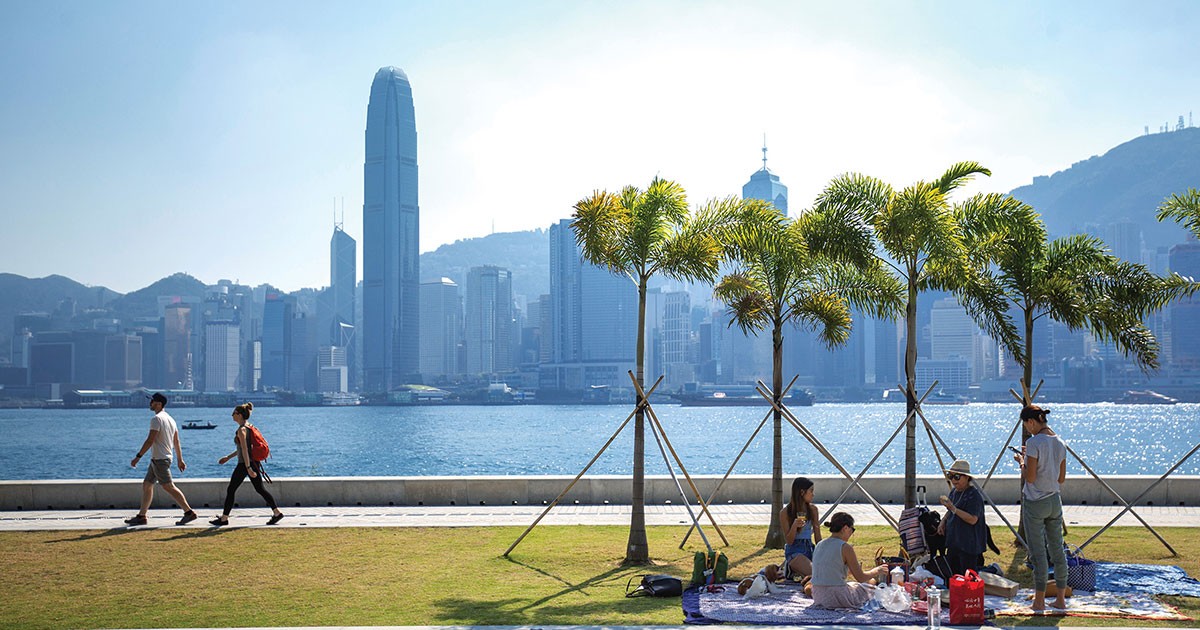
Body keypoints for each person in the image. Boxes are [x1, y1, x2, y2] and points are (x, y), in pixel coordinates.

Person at [1013, 404, 1068, 613]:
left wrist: (1022, 462)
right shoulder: (1060, 442)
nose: (1028, 430)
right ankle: (1060, 600)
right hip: (1054, 500)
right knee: (1058, 551)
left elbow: (1030, 477)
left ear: (1031, 422)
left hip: (1035, 502)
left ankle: (1039, 601)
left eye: (1027, 426)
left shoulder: (1033, 442)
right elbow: (1061, 478)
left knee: (1038, 554)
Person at [124, 392, 197, 526]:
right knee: (147, 485)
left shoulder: (156, 419)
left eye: (152, 401)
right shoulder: (171, 419)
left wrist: (138, 457)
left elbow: (150, 440)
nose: (150, 403)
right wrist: (180, 459)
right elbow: (176, 441)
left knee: (168, 486)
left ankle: (189, 512)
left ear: (158, 404)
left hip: (160, 459)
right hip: (160, 458)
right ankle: (142, 516)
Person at [210, 402, 284, 526]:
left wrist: (248, 467)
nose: (232, 415)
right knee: (260, 489)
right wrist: (228, 457)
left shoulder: (242, 430)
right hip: (253, 462)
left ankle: (224, 519)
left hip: (244, 464)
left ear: (239, 415)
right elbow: (244, 449)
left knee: (231, 489)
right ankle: (277, 513)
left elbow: (244, 449)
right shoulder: (249, 427)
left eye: (234, 413)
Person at [810, 512, 889, 609]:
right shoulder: (845, 547)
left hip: (818, 595)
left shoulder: (820, 544)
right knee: (870, 587)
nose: (852, 533)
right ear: (845, 528)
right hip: (837, 596)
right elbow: (861, 577)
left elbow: (828, 570)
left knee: (854, 585)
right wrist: (877, 570)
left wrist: (848, 571)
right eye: (852, 529)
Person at [936, 459, 987, 576]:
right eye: (950, 476)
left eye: (957, 477)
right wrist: (943, 521)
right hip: (954, 541)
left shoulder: (974, 495)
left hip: (968, 544)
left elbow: (973, 519)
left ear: (967, 477)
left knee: (968, 576)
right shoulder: (954, 492)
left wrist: (953, 508)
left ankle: (991, 570)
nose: (953, 480)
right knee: (952, 575)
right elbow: (950, 510)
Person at [779, 477, 821, 580]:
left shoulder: (813, 509)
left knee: (825, 572)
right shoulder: (785, 512)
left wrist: (822, 551)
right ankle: (791, 568)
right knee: (817, 575)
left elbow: (817, 536)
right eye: (811, 491)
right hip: (795, 550)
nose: (813, 494)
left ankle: (798, 572)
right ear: (802, 492)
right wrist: (794, 526)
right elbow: (789, 541)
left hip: (810, 548)